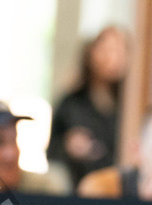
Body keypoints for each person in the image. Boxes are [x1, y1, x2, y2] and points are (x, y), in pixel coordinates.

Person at [48, 26, 130, 187]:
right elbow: (52, 152)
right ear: (91, 53)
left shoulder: (131, 103)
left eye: (120, 50)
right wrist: (69, 146)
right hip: (80, 185)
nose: (114, 58)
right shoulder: (71, 103)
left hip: (121, 186)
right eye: (107, 50)